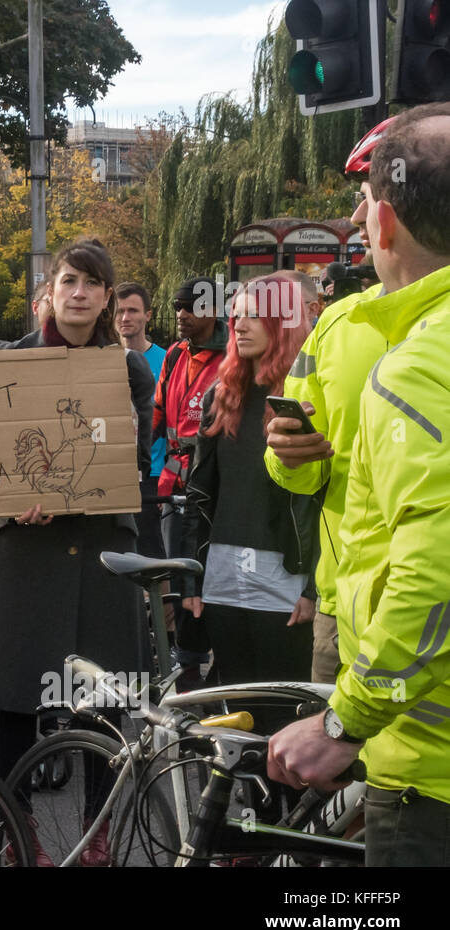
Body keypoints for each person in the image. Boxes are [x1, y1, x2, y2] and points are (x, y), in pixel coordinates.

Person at [268, 104, 450, 866]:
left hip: (415, 712)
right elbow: (288, 462)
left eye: (361, 200)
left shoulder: (416, 364)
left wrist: (343, 722)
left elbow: (435, 572)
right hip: (349, 622)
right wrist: (293, 452)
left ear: (379, 224)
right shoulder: (336, 329)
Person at [0, 238, 153, 784]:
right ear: (51, 290)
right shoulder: (8, 361)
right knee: (17, 698)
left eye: (91, 283)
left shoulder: (130, 369)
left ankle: (96, 833)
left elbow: (134, 464)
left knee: (102, 703)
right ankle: (18, 828)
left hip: (102, 552)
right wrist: (13, 503)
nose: (79, 293)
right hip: (24, 551)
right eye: (69, 281)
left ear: (108, 296)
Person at [264, 129, 390, 686]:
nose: (358, 217)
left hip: (423, 614)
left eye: (370, 193)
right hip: (341, 612)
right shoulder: (337, 324)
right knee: (328, 772)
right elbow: (302, 472)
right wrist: (289, 455)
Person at [179, 273, 316, 686]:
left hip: (287, 579)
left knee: (284, 710)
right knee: (236, 708)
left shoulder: (310, 394)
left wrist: (314, 588)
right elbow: (200, 494)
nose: (239, 325)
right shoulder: (221, 396)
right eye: (236, 315)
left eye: (254, 316)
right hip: (224, 575)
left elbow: (326, 501)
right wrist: (191, 577)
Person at [152, 274, 229, 686]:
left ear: (213, 311)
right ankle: (188, 669)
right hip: (173, 482)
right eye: (178, 307)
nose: (181, 315)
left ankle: (219, 663)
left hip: (214, 482)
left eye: (191, 308)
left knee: (211, 572)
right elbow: (158, 413)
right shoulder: (175, 355)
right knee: (181, 573)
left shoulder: (232, 354)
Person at [115, 281, 166, 558]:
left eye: (133, 310)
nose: (125, 318)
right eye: (120, 311)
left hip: (154, 475)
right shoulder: (103, 361)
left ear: (148, 315)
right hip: (115, 473)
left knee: (154, 552)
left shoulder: (167, 359)